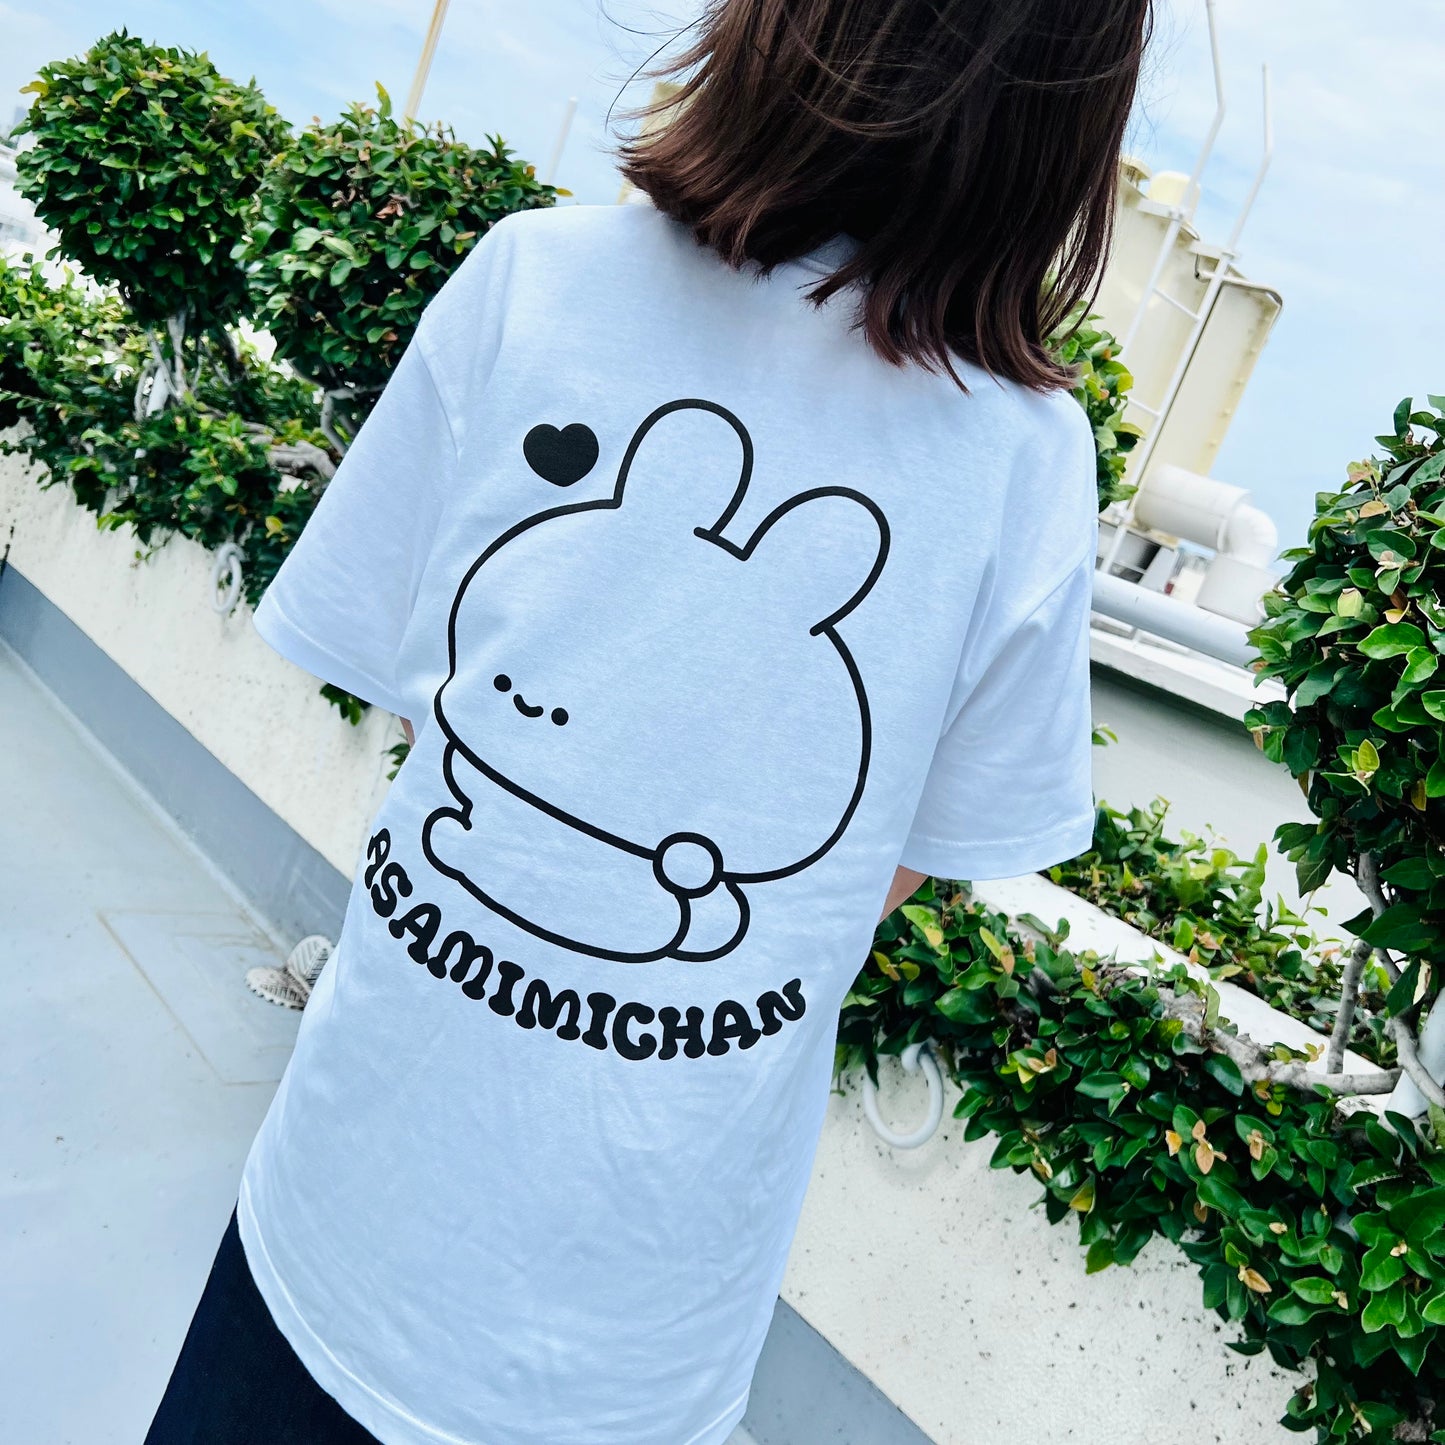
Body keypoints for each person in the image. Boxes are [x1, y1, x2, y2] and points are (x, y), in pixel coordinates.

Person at [146, 0, 1152, 1440]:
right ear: (1071, 103)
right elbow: (881, 868)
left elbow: (423, 693)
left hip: (341, 1217)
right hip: (631, 1330)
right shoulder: (1022, 459)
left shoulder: (535, 281)